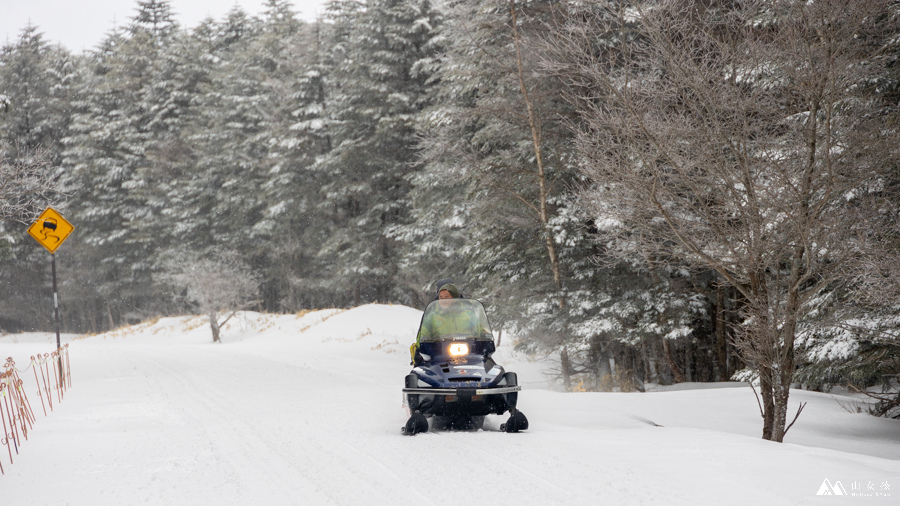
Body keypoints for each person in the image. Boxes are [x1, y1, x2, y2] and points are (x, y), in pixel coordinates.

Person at [410, 282, 476, 364]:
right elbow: (423, 333)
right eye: (441, 297)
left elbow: (480, 331)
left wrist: (483, 343)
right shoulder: (433, 315)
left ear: (455, 298)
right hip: (439, 355)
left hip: (468, 354)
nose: (443, 300)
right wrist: (420, 349)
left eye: (447, 297)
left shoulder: (468, 313)